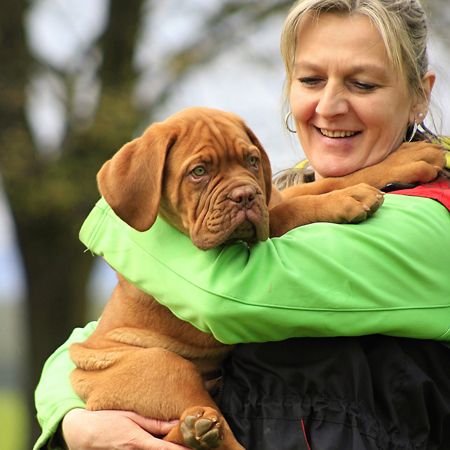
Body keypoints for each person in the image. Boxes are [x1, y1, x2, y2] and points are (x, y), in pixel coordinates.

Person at [34, 0, 450, 449]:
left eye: (363, 83)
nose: (330, 105)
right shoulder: (293, 191)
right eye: (310, 79)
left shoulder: (429, 223)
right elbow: (82, 348)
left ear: (419, 96)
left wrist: (114, 227)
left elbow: (226, 296)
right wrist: (74, 421)